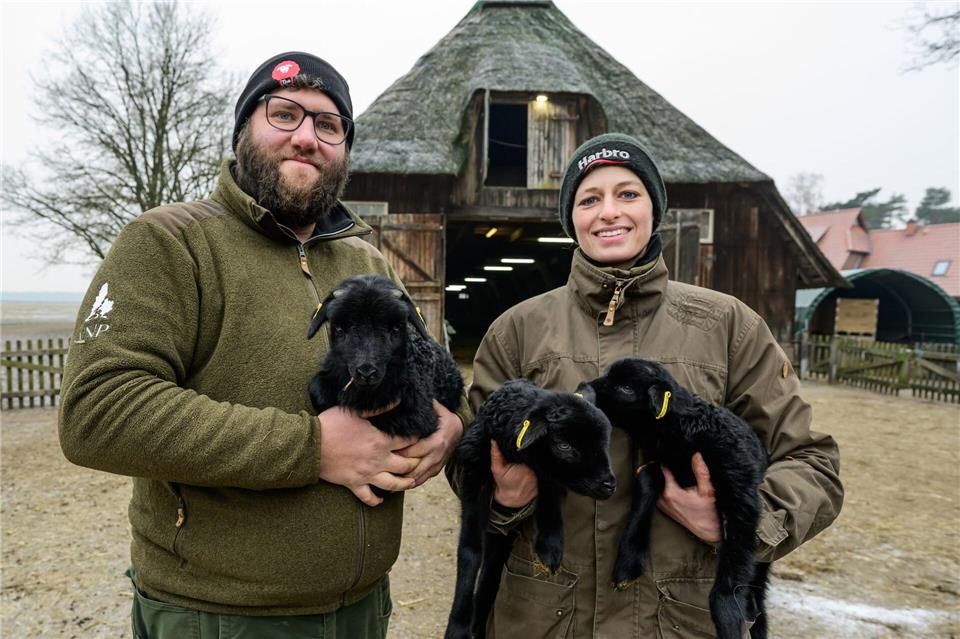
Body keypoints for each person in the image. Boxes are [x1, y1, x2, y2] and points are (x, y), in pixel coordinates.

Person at [58, 52, 467, 638]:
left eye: (329, 126)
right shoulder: (168, 243)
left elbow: (428, 362)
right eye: (285, 114)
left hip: (363, 607)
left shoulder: (368, 260)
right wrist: (310, 447)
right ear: (244, 127)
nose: (307, 137)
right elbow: (97, 413)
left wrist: (448, 426)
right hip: (221, 615)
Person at [466, 133, 843, 637]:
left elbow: (811, 461)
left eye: (627, 194)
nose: (608, 213)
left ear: (653, 208)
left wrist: (739, 526)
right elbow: (469, 456)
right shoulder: (518, 329)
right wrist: (503, 497)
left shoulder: (729, 325)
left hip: (681, 617)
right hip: (544, 614)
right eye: (589, 199)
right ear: (571, 217)